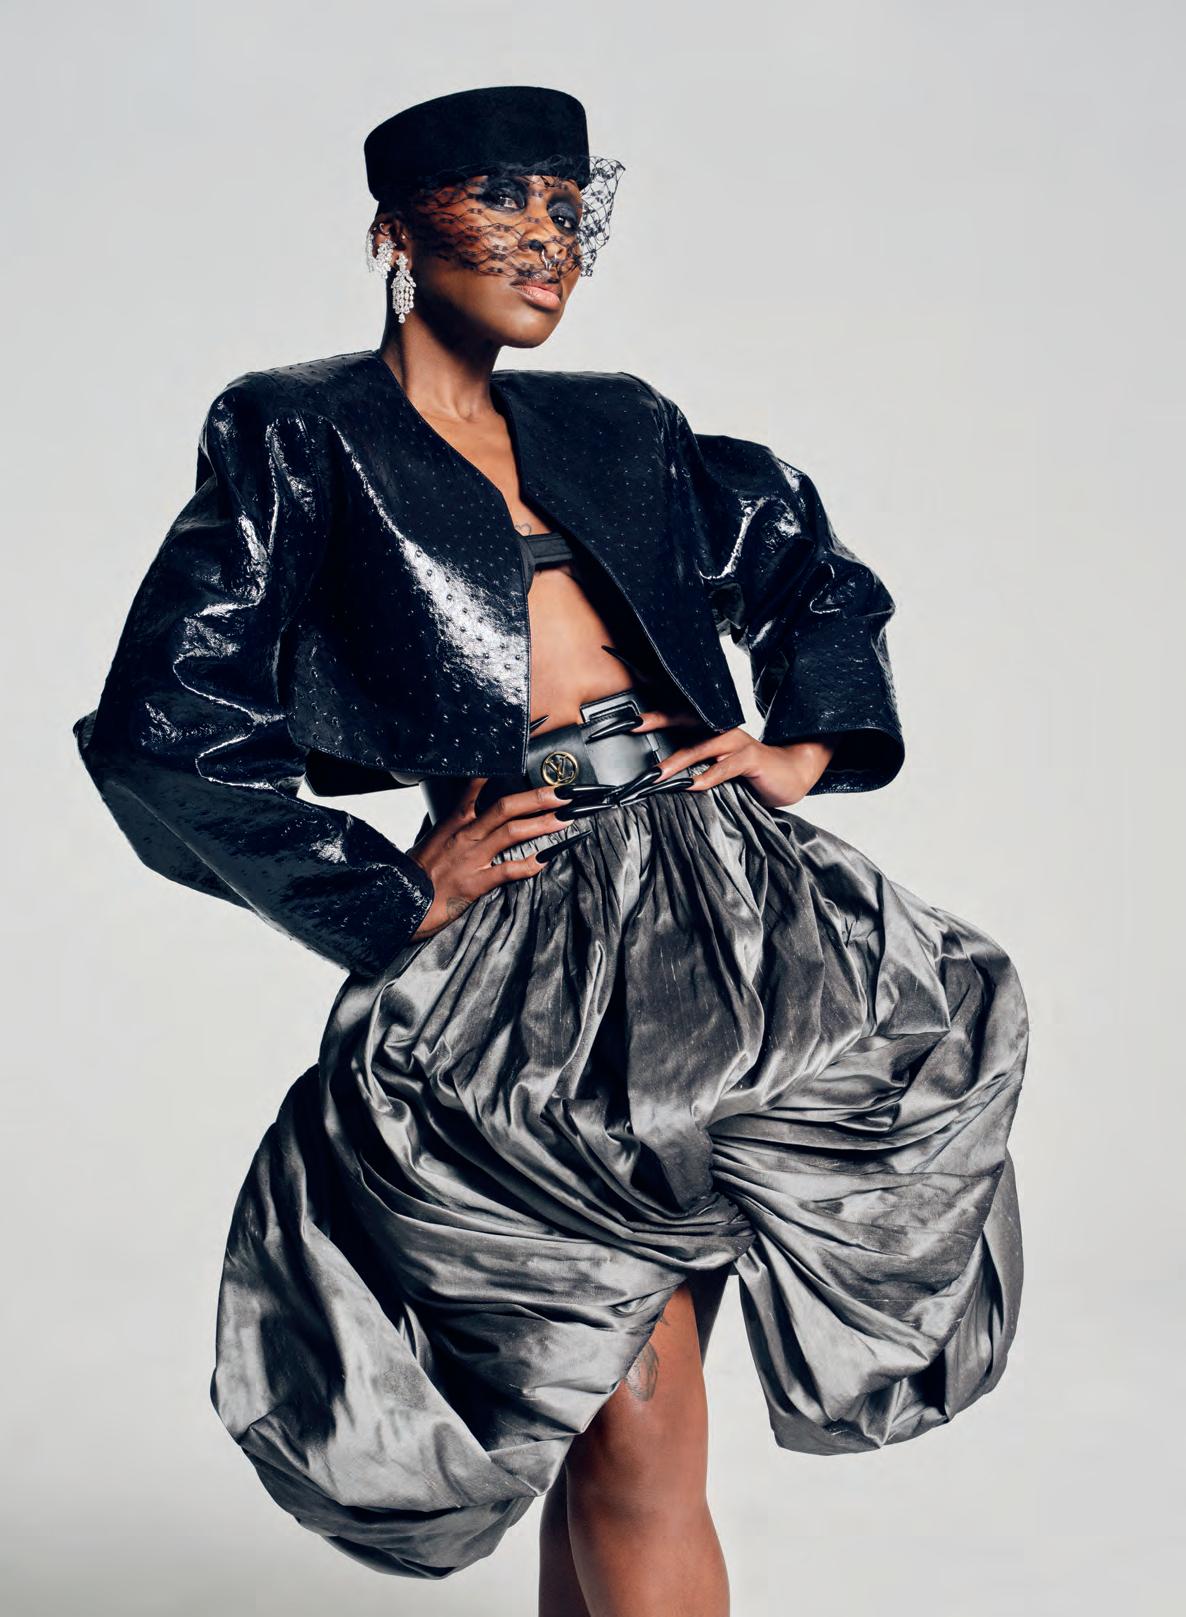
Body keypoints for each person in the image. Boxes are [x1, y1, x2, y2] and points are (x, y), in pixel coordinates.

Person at [73, 84, 1029, 1617]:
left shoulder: (616, 422)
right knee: (616, 1408)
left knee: (624, 1428)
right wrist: (387, 892)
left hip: (728, 912)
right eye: (501, 202)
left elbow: (807, 569)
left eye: (568, 212)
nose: (545, 243)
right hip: (528, 942)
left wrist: (804, 744)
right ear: (392, 231)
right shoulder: (301, 431)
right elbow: (157, 729)